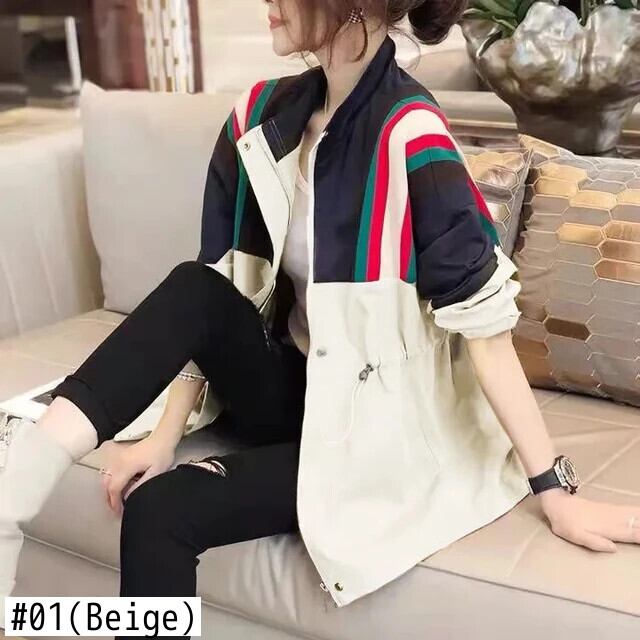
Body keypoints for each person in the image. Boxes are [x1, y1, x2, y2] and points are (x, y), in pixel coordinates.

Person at [2, 0, 639, 630]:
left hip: (373, 426)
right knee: (196, 285)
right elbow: (221, 288)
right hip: (289, 391)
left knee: (159, 511)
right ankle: (16, 490)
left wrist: (554, 491)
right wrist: (165, 436)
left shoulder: (411, 134)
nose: (268, 4)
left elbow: (488, 335)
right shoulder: (261, 117)